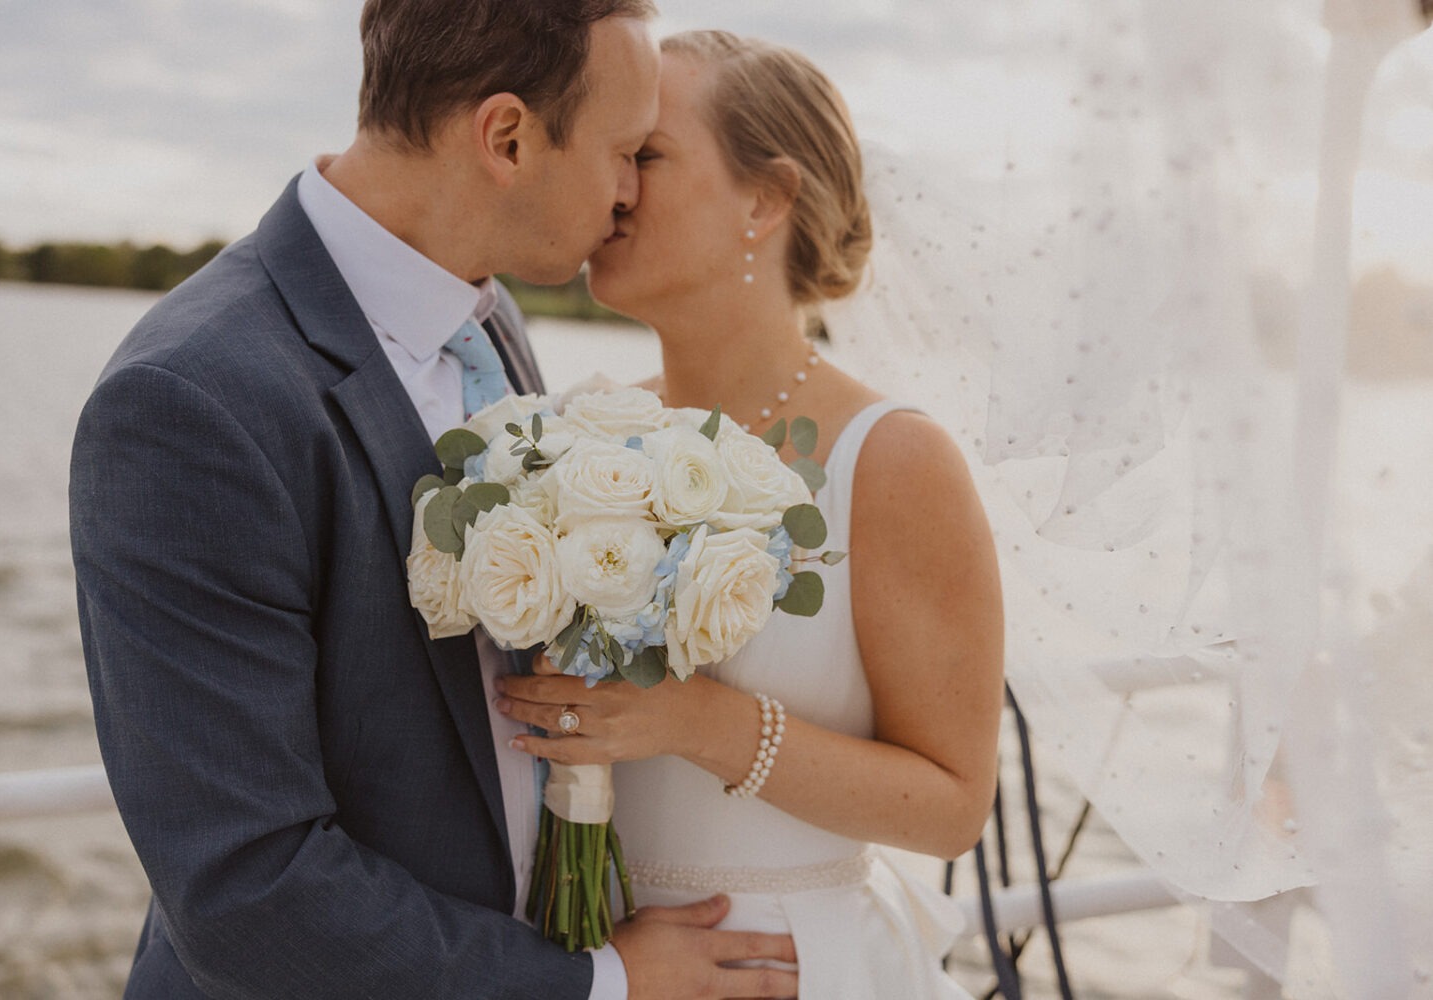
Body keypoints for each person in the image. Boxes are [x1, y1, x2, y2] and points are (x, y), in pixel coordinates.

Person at [69, 4, 798, 998]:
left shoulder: (484, 317)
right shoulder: (192, 401)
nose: (629, 194)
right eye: (624, 150)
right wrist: (602, 987)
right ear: (506, 137)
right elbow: (247, 890)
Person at [496, 30, 1005, 998]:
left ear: (765, 199)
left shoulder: (891, 458)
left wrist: (697, 719)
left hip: (782, 966)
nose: (615, 183)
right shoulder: (577, 432)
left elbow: (951, 807)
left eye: (647, 152)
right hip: (591, 960)